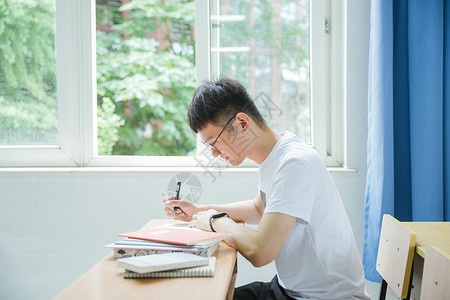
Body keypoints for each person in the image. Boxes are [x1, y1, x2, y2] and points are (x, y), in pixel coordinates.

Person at [163, 77, 370, 300]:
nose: (213, 153)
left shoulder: (295, 164)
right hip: (289, 290)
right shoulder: (277, 156)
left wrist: (215, 221)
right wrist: (199, 211)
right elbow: (259, 208)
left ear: (242, 123)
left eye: (214, 142)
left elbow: (260, 252)